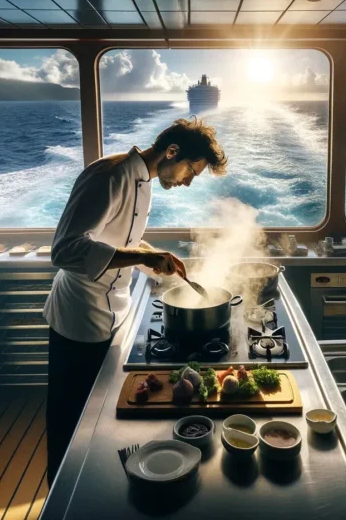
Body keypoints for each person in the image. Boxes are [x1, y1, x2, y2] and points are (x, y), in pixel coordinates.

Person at [43, 117, 228, 485]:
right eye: (191, 170)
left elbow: (116, 239)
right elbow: (65, 251)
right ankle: (61, 496)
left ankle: (94, 486)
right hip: (80, 316)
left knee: (98, 418)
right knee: (71, 418)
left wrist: (153, 255)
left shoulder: (144, 183)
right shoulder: (107, 176)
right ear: (172, 151)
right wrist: (141, 257)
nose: (189, 181)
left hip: (114, 309)